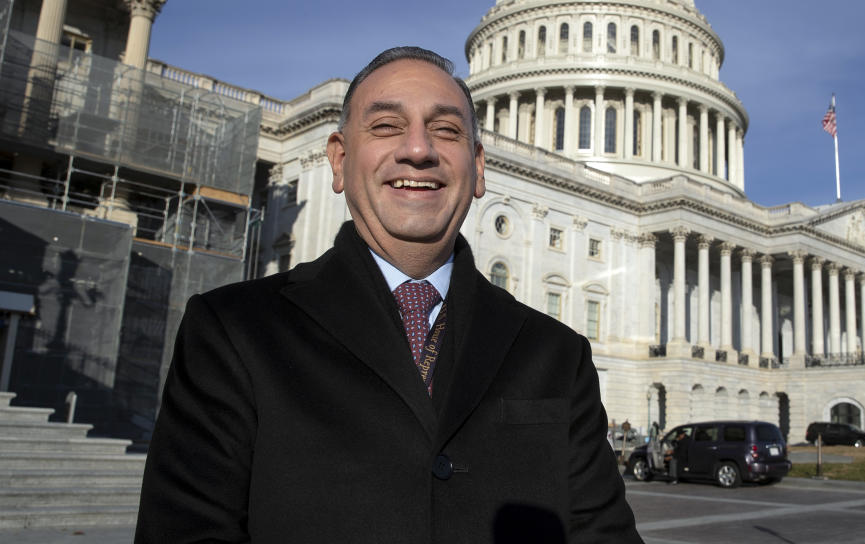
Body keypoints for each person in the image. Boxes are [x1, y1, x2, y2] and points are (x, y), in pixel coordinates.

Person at [135, 47, 643, 543]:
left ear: (479, 167)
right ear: (337, 160)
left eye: (445, 129)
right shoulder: (231, 331)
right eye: (385, 126)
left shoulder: (556, 353)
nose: (418, 150)